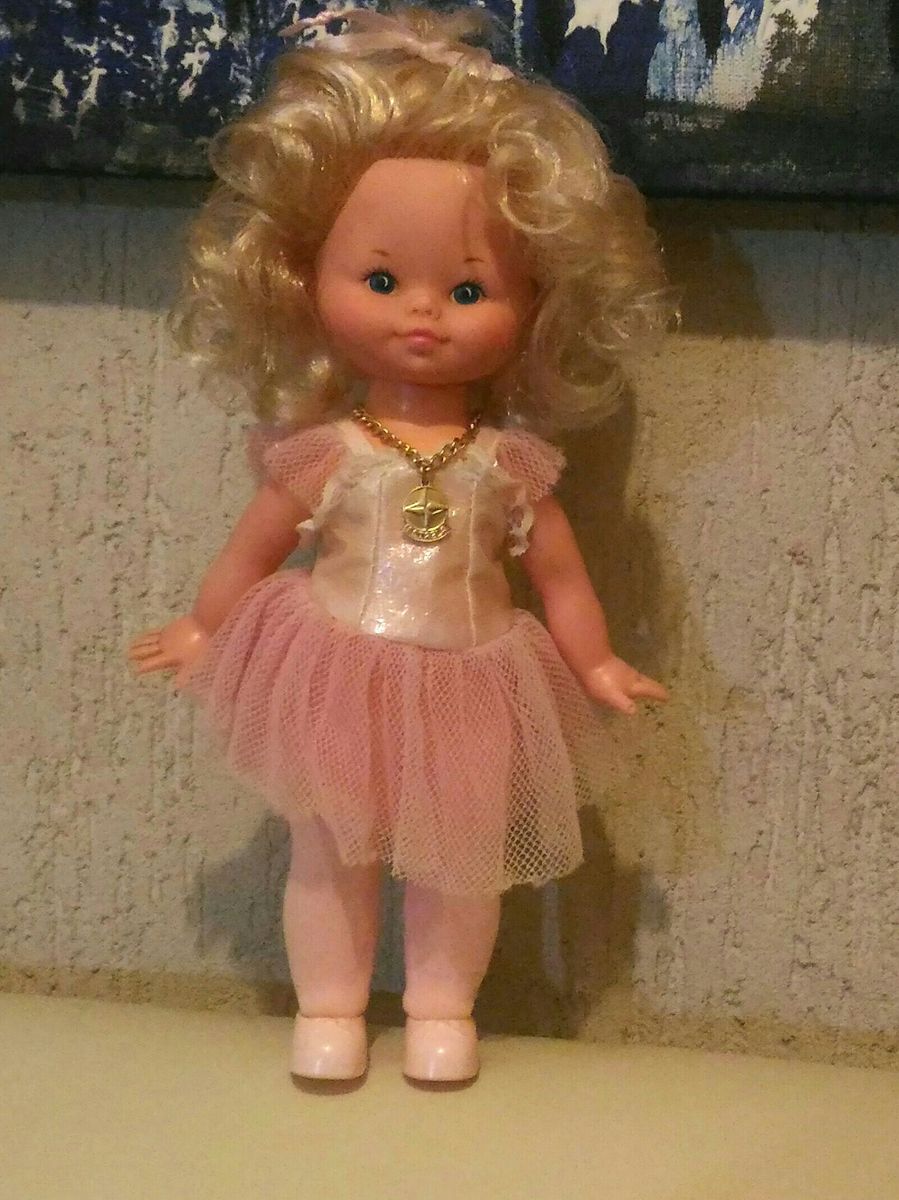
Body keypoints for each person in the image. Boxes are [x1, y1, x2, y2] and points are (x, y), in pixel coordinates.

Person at [128, 4, 672, 1083]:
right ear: (299, 276)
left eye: (468, 291)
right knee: (326, 849)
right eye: (381, 281)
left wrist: (596, 661)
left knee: (459, 861)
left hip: (470, 678)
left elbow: (560, 577)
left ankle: (439, 1013)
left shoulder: (508, 464)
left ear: (538, 306)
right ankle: (328, 1010)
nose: (423, 314)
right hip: (336, 665)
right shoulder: (325, 452)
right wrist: (203, 625)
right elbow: (252, 552)